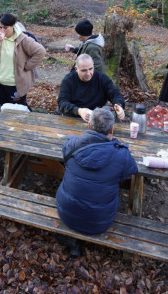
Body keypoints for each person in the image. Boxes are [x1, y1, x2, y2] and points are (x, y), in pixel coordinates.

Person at [55, 107, 139, 255]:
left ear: (89, 126)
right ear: (112, 130)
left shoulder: (70, 145)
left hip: (66, 213)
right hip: (99, 222)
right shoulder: (122, 155)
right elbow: (132, 170)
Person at [0, 13, 46, 107]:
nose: (2, 31)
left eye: (5, 28)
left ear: (13, 26)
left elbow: (40, 51)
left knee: (18, 109)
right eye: (0, 27)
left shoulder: (23, 39)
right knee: (4, 108)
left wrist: (27, 66)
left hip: (15, 84)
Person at [57, 54, 126, 122]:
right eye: (84, 70)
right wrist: (79, 111)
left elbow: (115, 94)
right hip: (73, 118)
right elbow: (62, 102)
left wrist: (119, 106)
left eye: (90, 69)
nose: (88, 73)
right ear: (76, 69)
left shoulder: (101, 78)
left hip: (97, 119)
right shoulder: (68, 80)